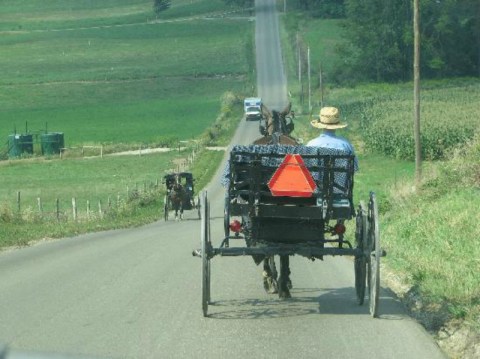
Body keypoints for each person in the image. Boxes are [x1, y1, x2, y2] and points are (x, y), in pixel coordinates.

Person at [306, 106, 359, 172]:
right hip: (341, 182)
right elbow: (355, 168)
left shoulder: (311, 144)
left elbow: (306, 168)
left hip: (315, 182)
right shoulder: (346, 145)